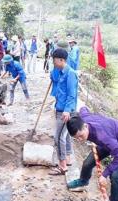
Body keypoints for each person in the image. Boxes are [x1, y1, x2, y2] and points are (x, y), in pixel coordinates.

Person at [66, 107, 118, 201]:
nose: (80, 140)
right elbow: (83, 109)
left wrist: (104, 174)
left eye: (81, 136)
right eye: (76, 138)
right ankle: (83, 180)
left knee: (115, 175)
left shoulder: (102, 136)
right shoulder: (84, 118)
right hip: (111, 140)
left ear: (85, 126)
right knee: (87, 163)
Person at [48, 48, 78, 176]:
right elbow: (53, 78)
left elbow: (72, 94)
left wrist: (67, 111)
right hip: (60, 108)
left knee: (58, 137)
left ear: (61, 60)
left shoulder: (70, 73)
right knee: (65, 136)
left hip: (65, 111)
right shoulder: (59, 72)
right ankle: (68, 159)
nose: (53, 63)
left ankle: (62, 166)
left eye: (54, 60)